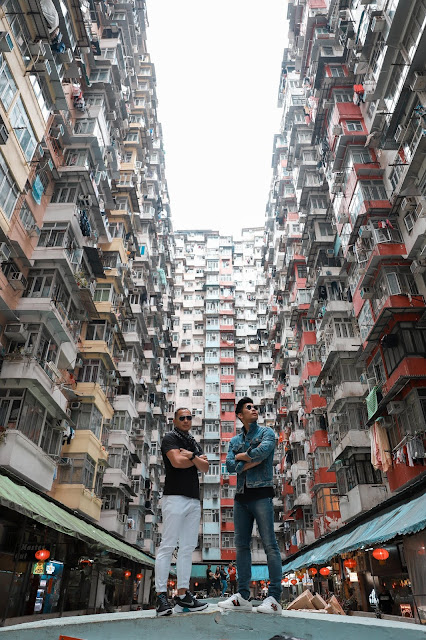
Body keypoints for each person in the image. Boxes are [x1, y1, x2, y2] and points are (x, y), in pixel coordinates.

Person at [218, 398, 282, 615]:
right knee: (241, 546)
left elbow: (263, 453)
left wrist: (242, 458)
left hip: (262, 494)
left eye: (255, 407)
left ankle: (274, 597)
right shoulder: (234, 439)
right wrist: (248, 461)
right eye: (249, 408)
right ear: (239, 415)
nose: (254, 409)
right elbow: (229, 466)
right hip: (241, 497)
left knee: (270, 545)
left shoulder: (267, 433)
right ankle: (243, 596)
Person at [155, 408, 210, 616]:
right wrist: (195, 460)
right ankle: (161, 597)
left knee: (187, 549)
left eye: (189, 417)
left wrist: (193, 456)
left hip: (194, 500)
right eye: (182, 418)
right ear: (175, 420)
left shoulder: (193, 443)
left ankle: (183, 596)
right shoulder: (169, 438)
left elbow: (205, 467)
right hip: (174, 498)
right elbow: (176, 462)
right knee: (168, 546)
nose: (186, 420)